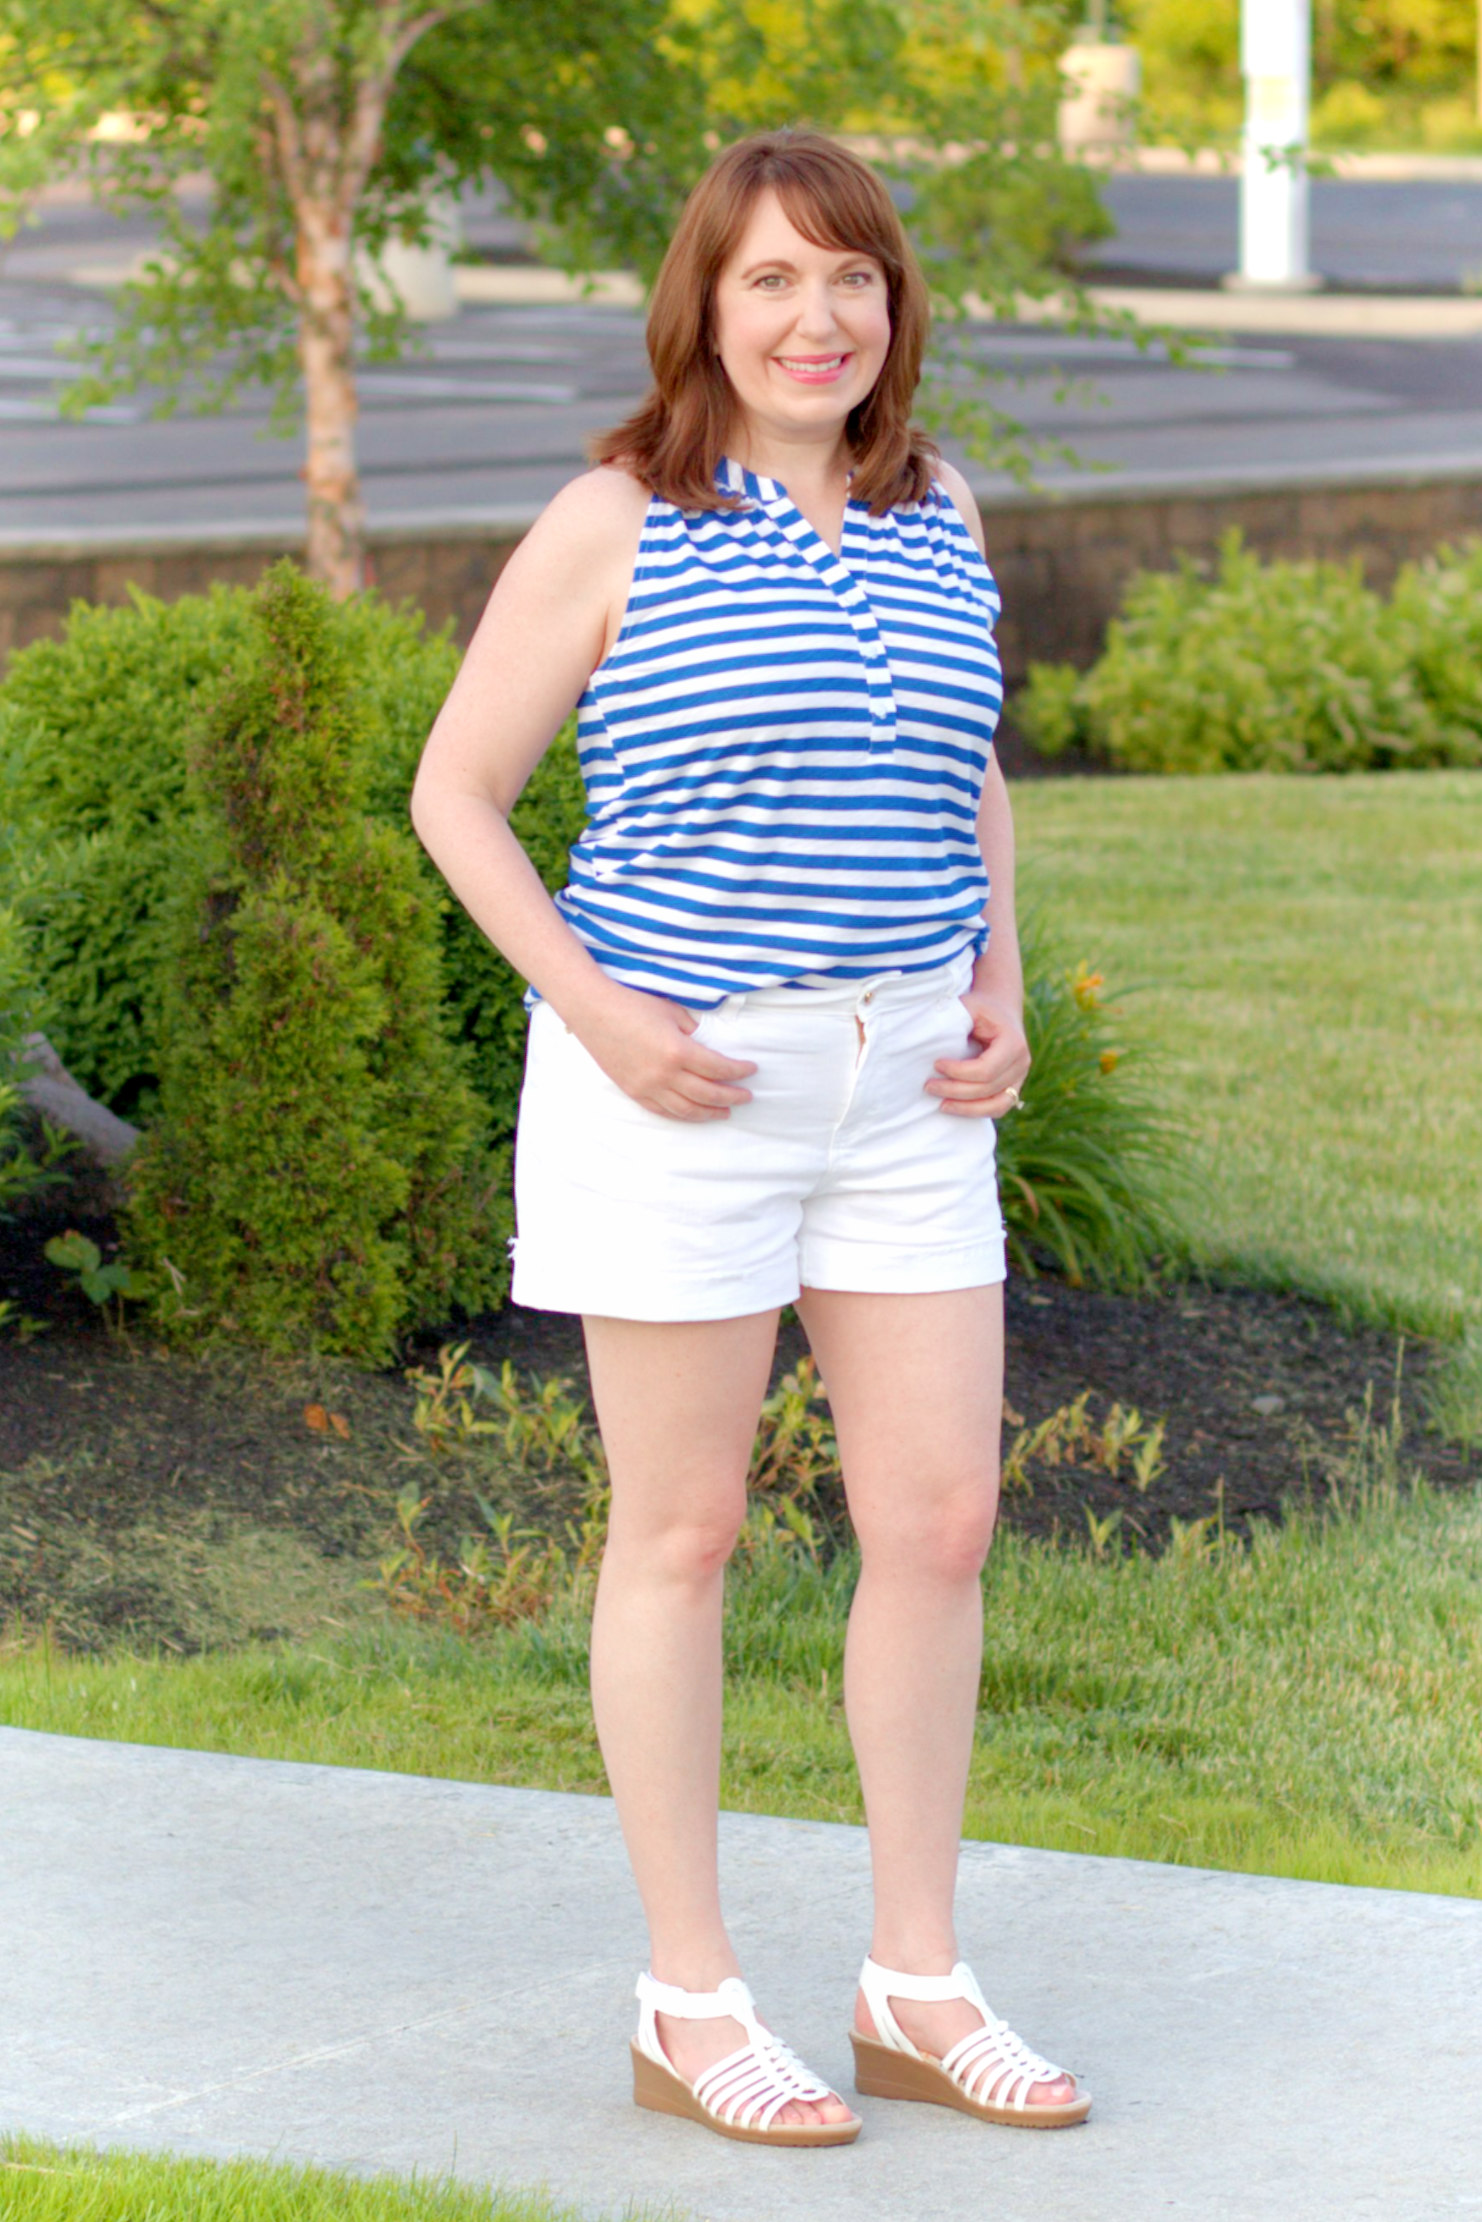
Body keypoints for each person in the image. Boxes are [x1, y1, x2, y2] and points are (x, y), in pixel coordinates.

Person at [409, 127, 1091, 2149]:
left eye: (855, 279)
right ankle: (690, 1998)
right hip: (678, 1084)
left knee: (939, 1522)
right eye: (776, 280)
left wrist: (1005, 982)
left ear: (897, 308)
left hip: (904, 1092)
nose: (820, 317)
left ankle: (913, 1977)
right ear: (706, 304)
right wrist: (602, 1011)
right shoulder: (618, 518)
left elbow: (962, 766)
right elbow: (458, 794)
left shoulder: (932, 505)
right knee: (686, 1532)